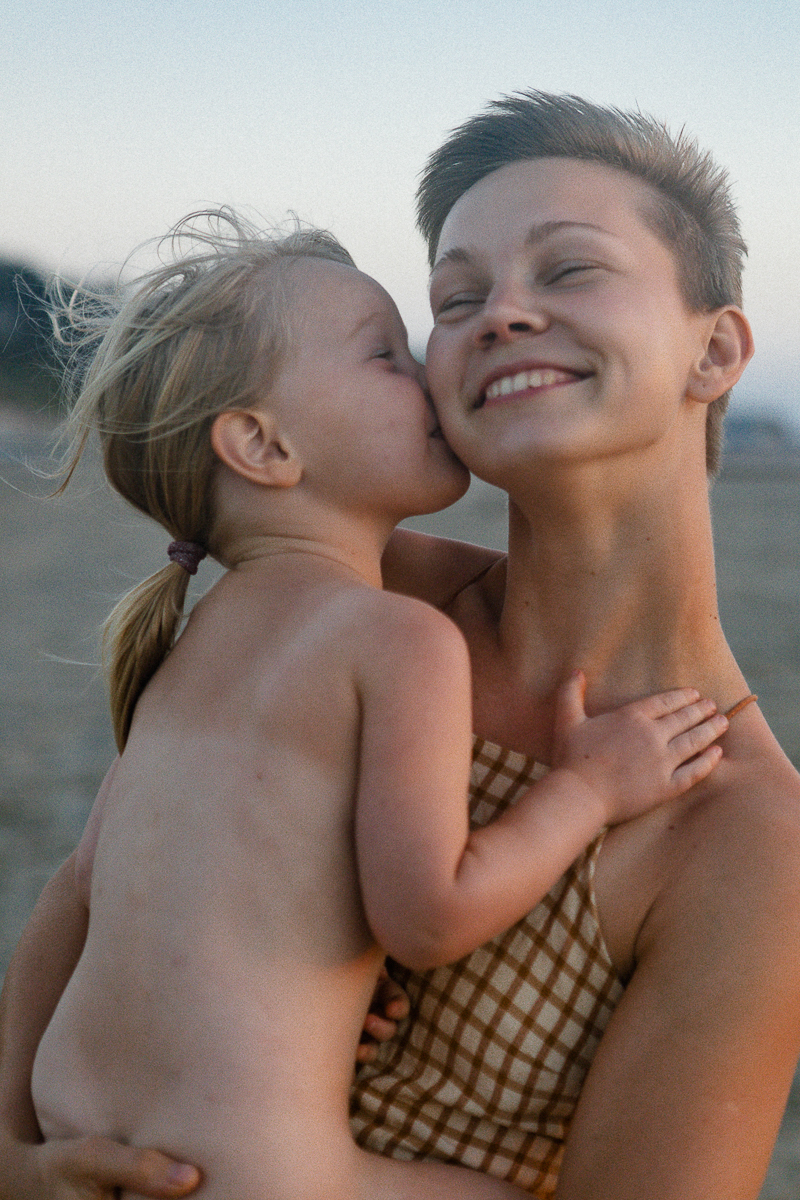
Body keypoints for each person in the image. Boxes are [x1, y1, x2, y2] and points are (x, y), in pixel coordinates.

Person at [1, 91, 799, 1200]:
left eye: (566, 271)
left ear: (711, 352)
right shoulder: (351, 603)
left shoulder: (745, 837)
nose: (496, 315)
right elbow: (91, 893)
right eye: (455, 297)